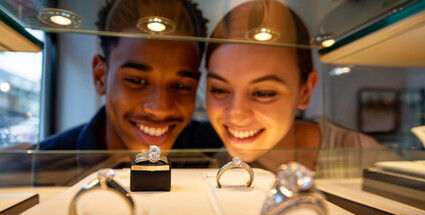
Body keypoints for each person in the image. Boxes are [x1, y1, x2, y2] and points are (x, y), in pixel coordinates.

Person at [205, 0, 398, 177]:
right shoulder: (221, 168)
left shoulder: (361, 157)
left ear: (305, 91)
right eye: (220, 90)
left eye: (264, 93)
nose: (236, 113)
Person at [36, 0, 222, 152]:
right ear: (101, 77)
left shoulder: (218, 148)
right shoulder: (41, 167)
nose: (160, 109)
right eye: (137, 81)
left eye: (181, 86)